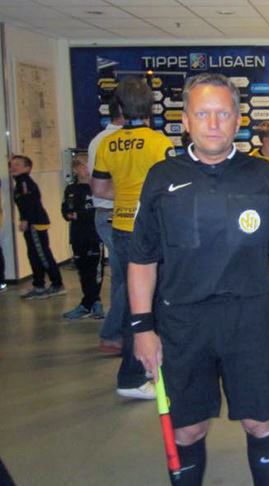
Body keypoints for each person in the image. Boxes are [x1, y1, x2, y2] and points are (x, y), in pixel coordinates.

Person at [129, 73, 269, 486]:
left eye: (223, 114)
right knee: (188, 430)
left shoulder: (264, 176)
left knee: (260, 422)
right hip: (182, 324)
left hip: (250, 320)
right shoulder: (161, 178)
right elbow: (141, 259)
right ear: (185, 120)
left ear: (237, 119)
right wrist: (142, 328)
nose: (213, 124)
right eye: (202, 113)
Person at [91, 76, 174, 400]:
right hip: (154, 230)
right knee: (151, 302)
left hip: (122, 228)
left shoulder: (107, 144)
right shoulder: (158, 143)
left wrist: (128, 198)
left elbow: (99, 189)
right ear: (150, 106)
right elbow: (170, 189)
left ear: (120, 107)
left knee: (132, 299)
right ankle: (133, 375)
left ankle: (144, 367)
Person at [88, 101, 124, 350]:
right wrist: (132, 196)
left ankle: (118, 332)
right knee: (131, 276)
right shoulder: (110, 140)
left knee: (122, 276)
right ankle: (112, 333)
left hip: (110, 213)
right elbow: (99, 186)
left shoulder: (101, 139)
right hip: (114, 212)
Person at [10, 155, 65, 299]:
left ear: (27, 168)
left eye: (18, 164)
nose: (13, 167)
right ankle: (39, 285)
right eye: (12, 164)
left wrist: (25, 219)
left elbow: (29, 202)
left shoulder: (24, 182)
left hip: (35, 223)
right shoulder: (20, 182)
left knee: (42, 255)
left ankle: (57, 284)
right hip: (32, 223)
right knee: (33, 255)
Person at [61, 157, 105, 319]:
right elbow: (66, 210)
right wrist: (70, 213)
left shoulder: (98, 187)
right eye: (82, 166)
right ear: (75, 169)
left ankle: (92, 303)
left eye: (88, 166)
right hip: (78, 235)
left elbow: (97, 211)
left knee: (95, 271)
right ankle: (90, 302)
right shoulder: (71, 189)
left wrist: (80, 214)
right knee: (83, 271)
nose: (86, 169)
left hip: (95, 235)